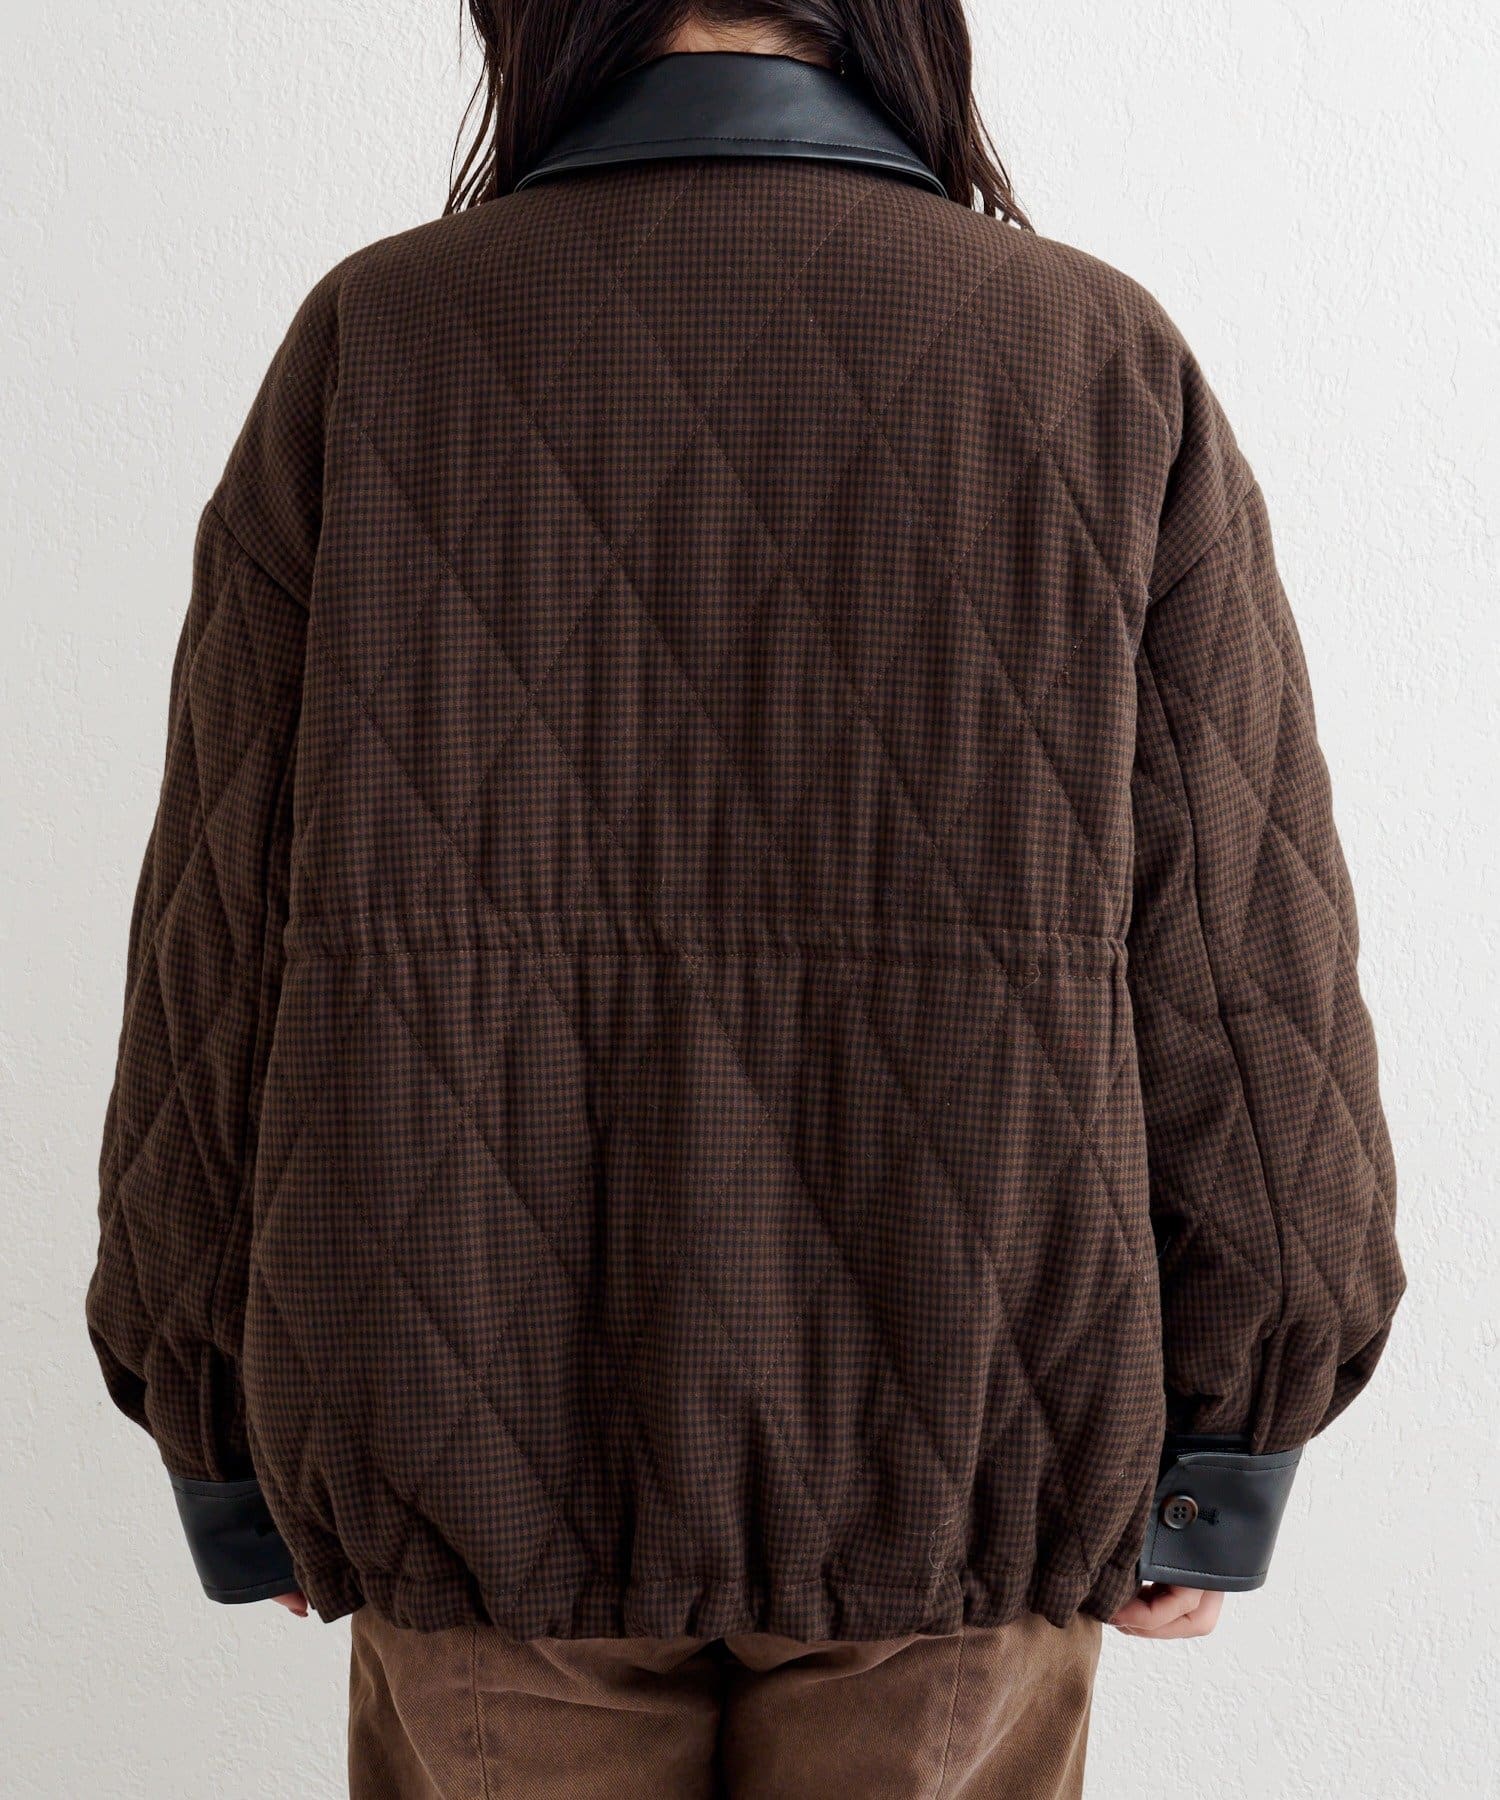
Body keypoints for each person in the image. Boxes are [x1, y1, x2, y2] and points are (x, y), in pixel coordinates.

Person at [84, 2, 1404, 1794]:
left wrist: (219, 1427)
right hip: (961, 1448)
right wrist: (1227, 1448)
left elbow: (214, 937)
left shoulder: (379, 340)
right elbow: (1247, 966)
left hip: (473, 1463)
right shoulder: (1093, 355)